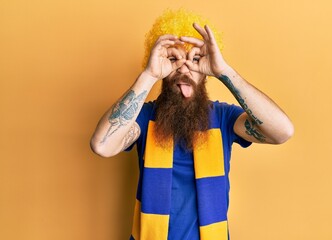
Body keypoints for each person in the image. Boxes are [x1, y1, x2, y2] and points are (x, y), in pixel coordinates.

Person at [90, 9, 294, 240]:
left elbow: (282, 132)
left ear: (206, 70)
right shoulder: (145, 117)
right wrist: (149, 74)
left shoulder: (224, 118)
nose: (184, 69)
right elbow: (102, 146)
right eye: (173, 59)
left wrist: (224, 71)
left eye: (195, 59)